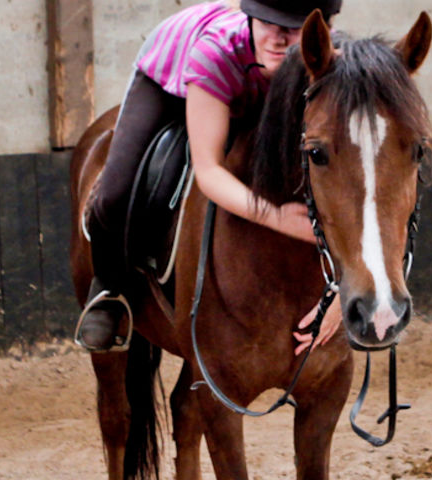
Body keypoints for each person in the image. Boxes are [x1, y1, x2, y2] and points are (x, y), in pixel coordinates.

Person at [77, 0, 343, 356]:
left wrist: (342, 287)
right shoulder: (215, 52)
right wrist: (276, 217)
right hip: (175, 76)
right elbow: (209, 171)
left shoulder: (332, 62)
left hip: (257, 88)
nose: (278, 39)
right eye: (266, 22)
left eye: (292, 29)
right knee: (114, 195)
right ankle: (109, 289)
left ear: (320, 31)